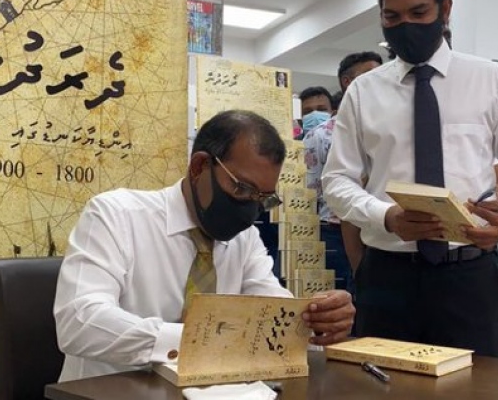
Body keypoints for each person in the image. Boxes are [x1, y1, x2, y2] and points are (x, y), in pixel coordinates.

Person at [322, 0, 498, 359]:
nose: (404, 25)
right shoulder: (363, 91)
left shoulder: (489, 80)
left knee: (479, 388)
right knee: (384, 386)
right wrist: (386, 216)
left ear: (445, 9)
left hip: (469, 275)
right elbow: (336, 180)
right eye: (392, 17)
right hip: (387, 275)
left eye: (418, 12)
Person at [54, 110, 355, 381]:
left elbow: (271, 307)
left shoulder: (244, 238)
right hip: (109, 391)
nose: (250, 210)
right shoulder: (115, 215)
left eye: (262, 198)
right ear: (199, 166)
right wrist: (199, 340)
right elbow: (81, 321)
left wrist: (313, 321)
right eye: (241, 188)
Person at [304, 52, 383, 291]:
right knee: (341, 295)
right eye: (372, 74)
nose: (380, 81)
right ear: (348, 82)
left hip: (380, 225)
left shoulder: (387, 127)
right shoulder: (321, 134)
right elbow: (311, 190)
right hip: (335, 230)